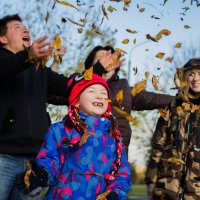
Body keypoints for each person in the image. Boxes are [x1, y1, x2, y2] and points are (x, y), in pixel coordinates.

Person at [0, 14, 122, 200]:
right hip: (3, 158)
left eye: (26, 27)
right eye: (17, 27)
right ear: (3, 38)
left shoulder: (40, 70)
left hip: (33, 162)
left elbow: (71, 86)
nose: (25, 29)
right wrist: (27, 56)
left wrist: (98, 70)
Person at [17, 73, 132, 200]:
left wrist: (115, 193)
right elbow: (50, 159)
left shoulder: (113, 136)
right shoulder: (60, 130)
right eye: (92, 91)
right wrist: (42, 173)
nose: (100, 96)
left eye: (104, 94)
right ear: (76, 101)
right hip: (64, 195)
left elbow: (122, 172)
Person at [84, 45, 175, 156]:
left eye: (110, 59)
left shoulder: (123, 87)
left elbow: (152, 99)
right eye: (100, 59)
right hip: (84, 151)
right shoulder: (79, 86)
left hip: (115, 154)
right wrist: (55, 63)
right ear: (91, 65)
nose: (106, 63)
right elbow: (56, 95)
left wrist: (184, 99)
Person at [145, 58, 200, 199]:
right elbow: (158, 144)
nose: (195, 79)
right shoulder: (173, 107)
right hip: (167, 187)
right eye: (191, 74)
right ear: (184, 77)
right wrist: (151, 181)